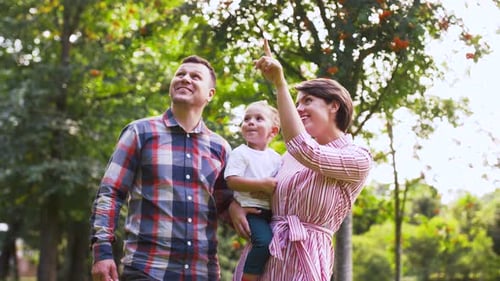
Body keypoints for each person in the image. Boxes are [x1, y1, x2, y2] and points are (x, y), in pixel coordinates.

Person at [229, 40, 373, 280]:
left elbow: (306, 151)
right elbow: (259, 191)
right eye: (296, 104)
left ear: (334, 105)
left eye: (307, 101)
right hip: (264, 265)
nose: (298, 109)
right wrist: (236, 206)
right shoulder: (284, 159)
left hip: (304, 263)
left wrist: (280, 84)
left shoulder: (357, 157)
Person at [89, 55, 235, 281]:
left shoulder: (221, 148)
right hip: (147, 269)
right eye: (180, 74)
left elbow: (228, 207)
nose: (185, 79)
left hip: (203, 274)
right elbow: (110, 193)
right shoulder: (140, 133)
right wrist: (102, 251)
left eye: (195, 77)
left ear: (210, 94)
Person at [224, 100, 282, 281]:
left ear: (273, 131)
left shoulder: (276, 158)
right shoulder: (240, 153)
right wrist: (261, 185)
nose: (250, 122)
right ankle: (247, 278)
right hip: (252, 211)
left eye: (258, 119)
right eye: (247, 119)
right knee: (264, 243)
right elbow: (232, 181)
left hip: (272, 213)